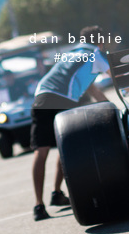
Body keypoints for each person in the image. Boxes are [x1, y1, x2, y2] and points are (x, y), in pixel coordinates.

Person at [31, 25, 110, 221]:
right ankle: (55, 193)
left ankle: (41, 204)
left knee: (41, 152)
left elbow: (93, 90)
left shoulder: (72, 53)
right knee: (65, 148)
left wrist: (109, 107)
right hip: (61, 98)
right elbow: (118, 78)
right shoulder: (96, 55)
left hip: (41, 96)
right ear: (100, 42)